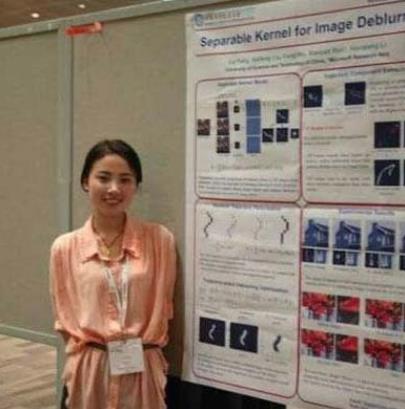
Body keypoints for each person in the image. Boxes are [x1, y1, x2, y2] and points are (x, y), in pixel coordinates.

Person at [49, 139, 176, 409]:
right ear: (86, 182)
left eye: (125, 180)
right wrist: (88, 358)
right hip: (89, 372)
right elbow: (64, 317)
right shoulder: (65, 247)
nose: (114, 189)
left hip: (142, 372)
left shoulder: (159, 240)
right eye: (104, 178)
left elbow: (165, 306)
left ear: (136, 186)